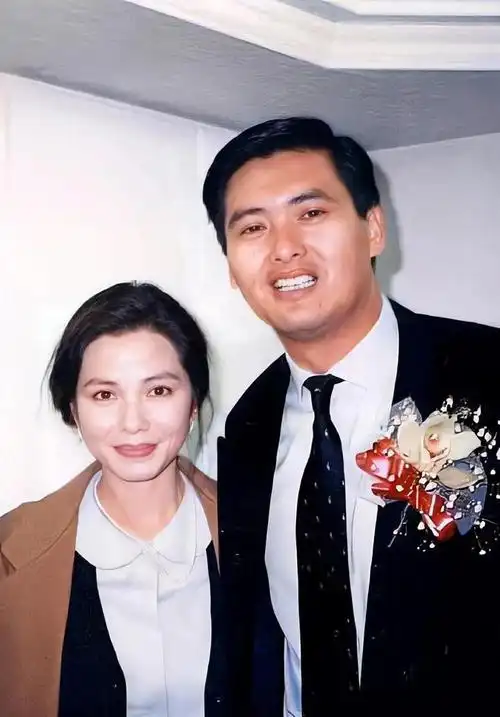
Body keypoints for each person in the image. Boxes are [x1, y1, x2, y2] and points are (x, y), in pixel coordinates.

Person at [200, 117, 500, 714]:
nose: (284, 247)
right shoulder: (249, 424)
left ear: (373, 229)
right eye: (252, 227)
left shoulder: (485, 374)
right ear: (232, 267)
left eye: (311, 213)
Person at [0, 282, 228, 717]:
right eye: (105, 395)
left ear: (194, 403)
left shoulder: (262, 531)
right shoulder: (9, 550)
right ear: (73, 409)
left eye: (158, 391)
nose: (133, 422)